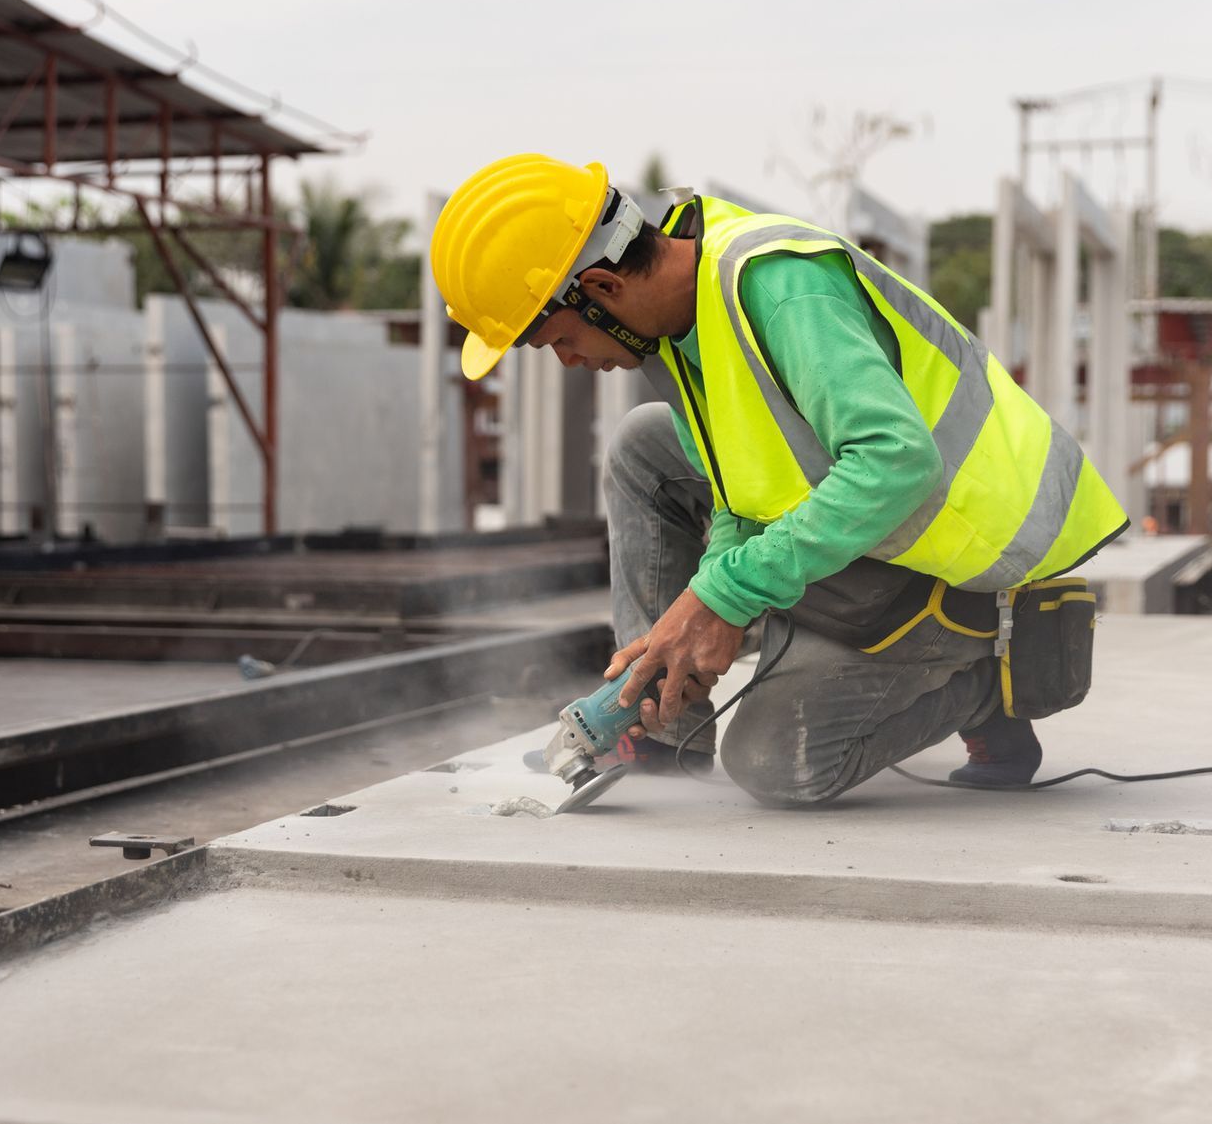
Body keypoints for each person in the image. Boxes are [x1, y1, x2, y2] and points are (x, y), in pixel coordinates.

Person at [430, 154, 1126, 805]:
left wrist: (725, 595)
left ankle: (984, 686)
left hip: (971, 561)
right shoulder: (679, 320)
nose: (570, 362)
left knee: (777, 764)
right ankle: (664, 716)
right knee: (643, 443)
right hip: (881, 534)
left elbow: (898, 461)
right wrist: (707, 602)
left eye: (559, 341)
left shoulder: (777, 286)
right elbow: (741, 481)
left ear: (602, 288)